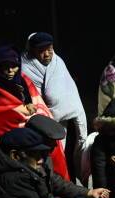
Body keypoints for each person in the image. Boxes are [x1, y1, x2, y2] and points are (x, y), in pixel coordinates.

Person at [0, 45, 69, 180]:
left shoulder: (23, 80)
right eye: (5, 66)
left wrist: (31, 111)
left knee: (50, 158)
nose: (10, 71)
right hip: (10, 140)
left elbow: (39, 104)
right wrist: (23, 112)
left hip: (33, 133)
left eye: (13, 66)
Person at [22, 32, 89, 184]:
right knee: (58, 157)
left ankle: (78, 182)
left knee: (77, 151)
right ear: (32, 51)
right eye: (41, 50)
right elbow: (34, 97)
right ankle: (62, 185)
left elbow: (69, 87)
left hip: (74, 116)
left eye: (50, 48)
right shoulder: (26, 69)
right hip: (53, 121)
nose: (47, 54)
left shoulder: (58, 61)